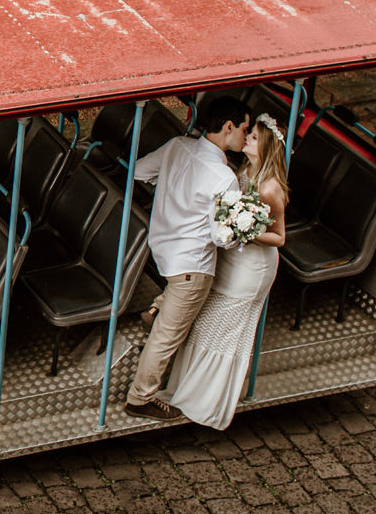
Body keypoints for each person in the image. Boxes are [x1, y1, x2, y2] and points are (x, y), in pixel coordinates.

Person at [122, 95, 252, 422]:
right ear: (228, 127)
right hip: (192, 266)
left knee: (174, 307)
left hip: (163, 249)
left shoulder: (178, 145)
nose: (246, 137)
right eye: (245, 130)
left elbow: (139, 172)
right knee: (166, 338)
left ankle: (160, 307)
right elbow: (221, 237)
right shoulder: (225, 178)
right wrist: (244, 225)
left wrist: (167, 185)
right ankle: (140, 398)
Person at [167, 114, 289, 429]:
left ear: (264, 145)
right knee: (205, 327)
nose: (246, 137)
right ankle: (186, 391)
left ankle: (205, 405)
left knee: (222, 332)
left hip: (252, 268)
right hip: (232, 259)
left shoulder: (270, 186)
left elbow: (279, 237)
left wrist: (243, 230)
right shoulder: (242, 170)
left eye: (253, 136)